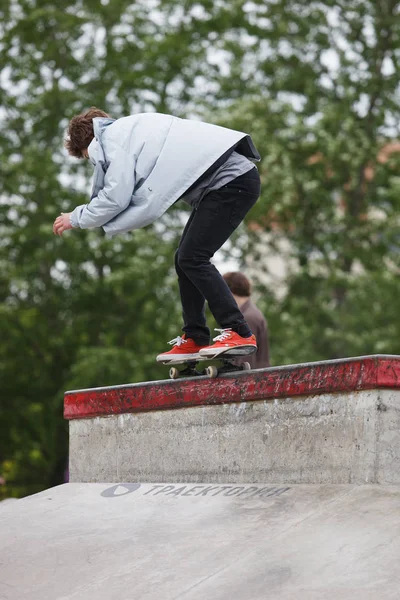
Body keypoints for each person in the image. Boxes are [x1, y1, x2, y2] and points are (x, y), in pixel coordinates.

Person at [53, 108, 261, 361]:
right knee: (183, 259)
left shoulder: (110, 143)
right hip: (227, 185)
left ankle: (238, 331)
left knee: (192, 257)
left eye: (87, 158)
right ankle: (195, 337)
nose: (93, 164)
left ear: (86, 146)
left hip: (231, 183)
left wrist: (75, 217)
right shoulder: (128, 132)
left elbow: (116, 196)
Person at [223, 272, 270, 369]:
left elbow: (246, 360)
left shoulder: (247, 317)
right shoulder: (251, 313)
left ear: (228, 291)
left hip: (252, 379)